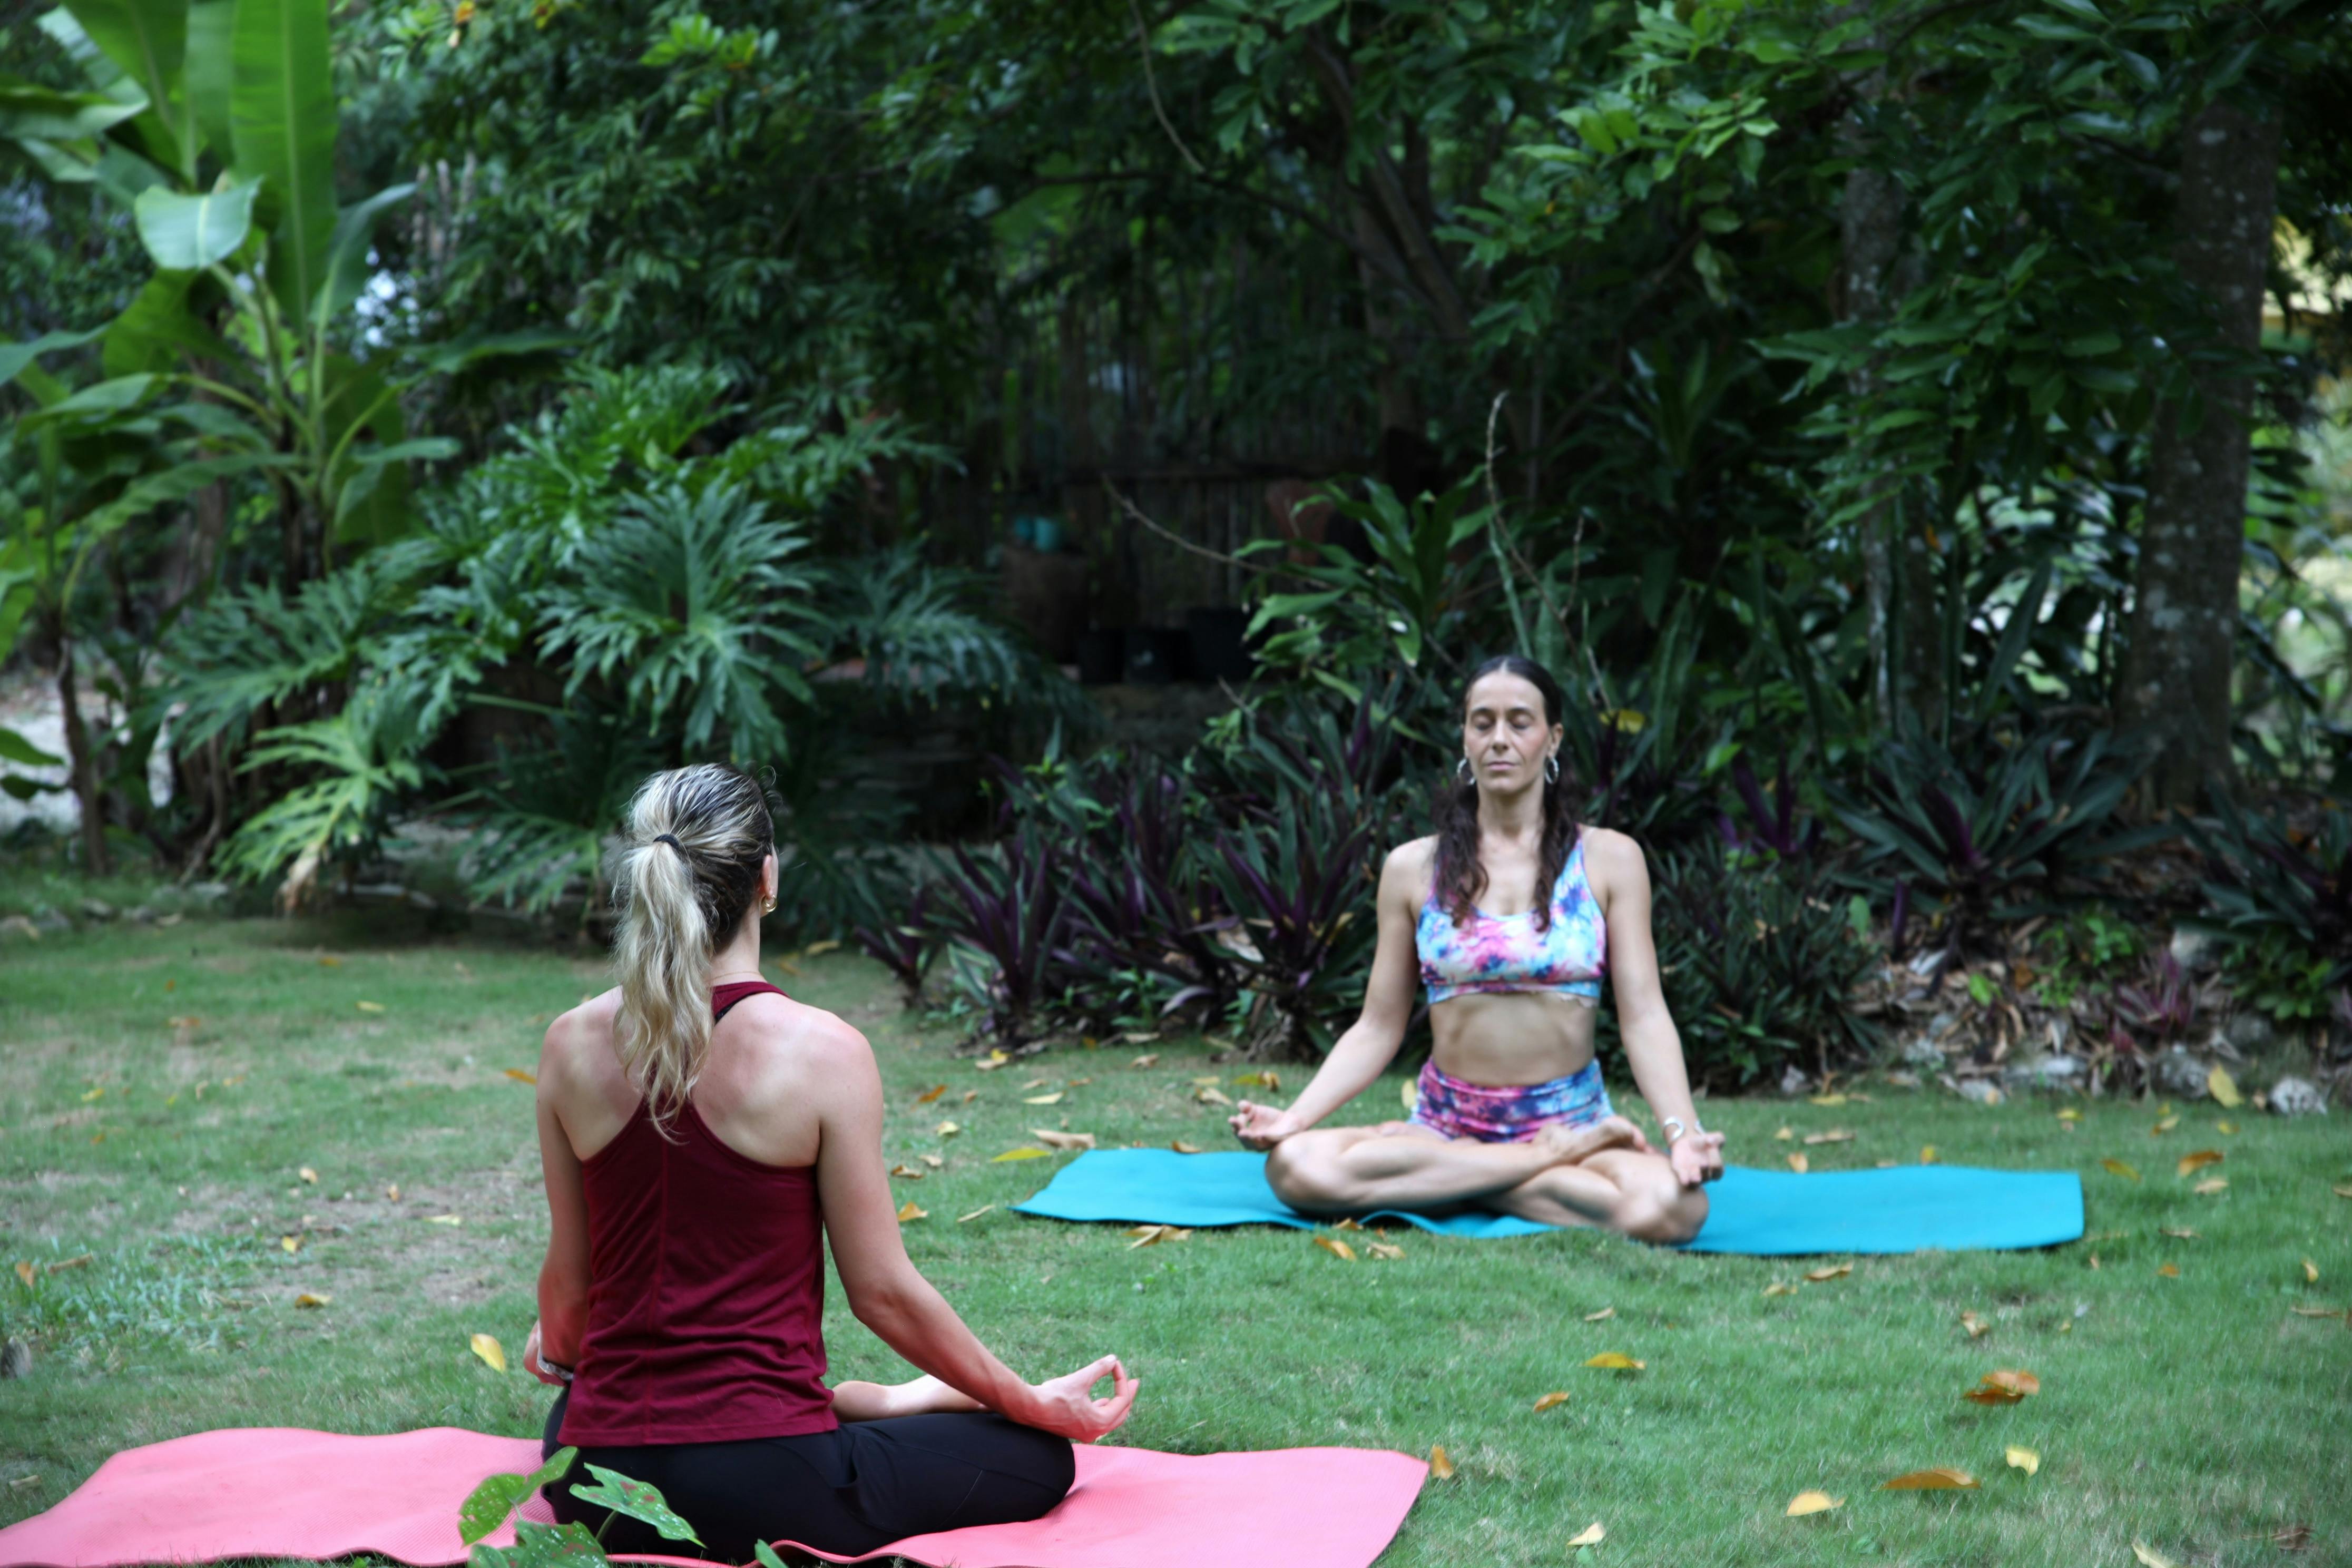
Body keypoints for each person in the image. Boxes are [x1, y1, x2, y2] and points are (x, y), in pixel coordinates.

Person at [522, 763, 1138, 1561]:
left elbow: (568, 1288)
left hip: (592, 1477)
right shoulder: (821, 1052)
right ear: (766, 879)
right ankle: (902, 1405)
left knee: (658, 1411)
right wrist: (1025, 1404)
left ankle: (891, 1401)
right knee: (1034, 1458)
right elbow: (882, 1295)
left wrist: (564, 1348)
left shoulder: (569, 1043)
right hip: (759, 1483)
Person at [1229, 656, 1726, 1241]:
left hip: (1568, 1116)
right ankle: (1542, 1163)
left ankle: (1450, 1183)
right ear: (1465, 738)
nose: (1500, 740)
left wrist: (1681, 1132)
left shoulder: (1611, 860)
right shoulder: (1414, 867)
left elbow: (1644, 1016)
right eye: (1483, 722)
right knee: (1294, 1167)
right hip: (1445, 1128)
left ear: (1553, 738)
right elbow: (1377, 1027)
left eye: (1520, 722)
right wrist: (1296, 1117)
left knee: (1676, 1209)